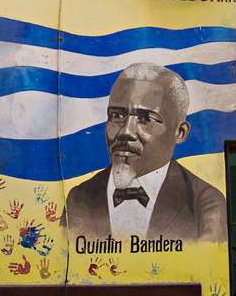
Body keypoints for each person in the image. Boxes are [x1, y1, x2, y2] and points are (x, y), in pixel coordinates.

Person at [64, 63, 226, 243]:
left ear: (180, 132)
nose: (126, 131)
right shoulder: (78, 199)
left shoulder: (205, 205)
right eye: (117, 116)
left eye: (146, 118)